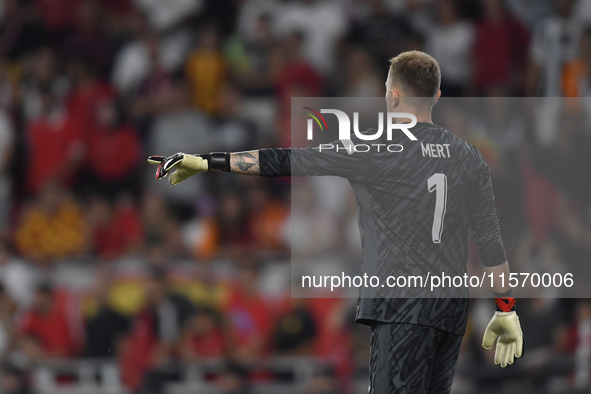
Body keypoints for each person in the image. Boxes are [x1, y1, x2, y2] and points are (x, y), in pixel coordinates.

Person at [148, 50, 524, 394]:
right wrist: (506, 311)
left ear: (391, 95)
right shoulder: (469, 157)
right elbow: (491, 242)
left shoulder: (373, 147)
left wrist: (206, 161)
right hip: (449, 307)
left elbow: (284, 161)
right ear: (436, 98)